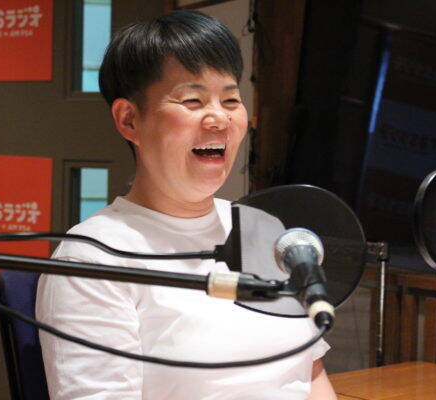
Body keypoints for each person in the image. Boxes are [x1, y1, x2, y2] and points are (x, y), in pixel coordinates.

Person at [36, 10, 337, 400]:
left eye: (230, 100)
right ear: (129, 120)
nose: (219, 119)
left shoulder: (264, 232)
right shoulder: (93, 259)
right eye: (193, 100)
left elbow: (311, 375)